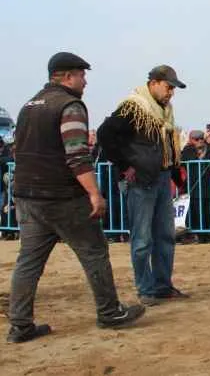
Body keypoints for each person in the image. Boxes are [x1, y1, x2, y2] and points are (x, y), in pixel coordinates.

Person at [7, 52, 145, 343]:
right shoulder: (69, 106)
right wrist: (94, 193)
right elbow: (77, 156)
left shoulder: (28, 106)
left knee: (28, 261)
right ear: (68, 77)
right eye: (82, 75)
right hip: (62, 196)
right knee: (94, 252)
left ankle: (20, 325)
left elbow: (18, 151)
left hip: (28, 195)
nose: (85, 82)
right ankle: (109, 312)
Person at [97, 64, 189, 306]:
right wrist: (124, 165)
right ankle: (146, 289)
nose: (171, 93)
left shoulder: (164, 112)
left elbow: (167, 148)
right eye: (169, 87)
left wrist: (175, 175)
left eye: (173, 89)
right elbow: (105, 134)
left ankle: (162, 286)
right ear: (154, 83)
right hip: (141, 180)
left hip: (161, 177)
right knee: (143, 238)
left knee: (165, 235)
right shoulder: (133, 106)